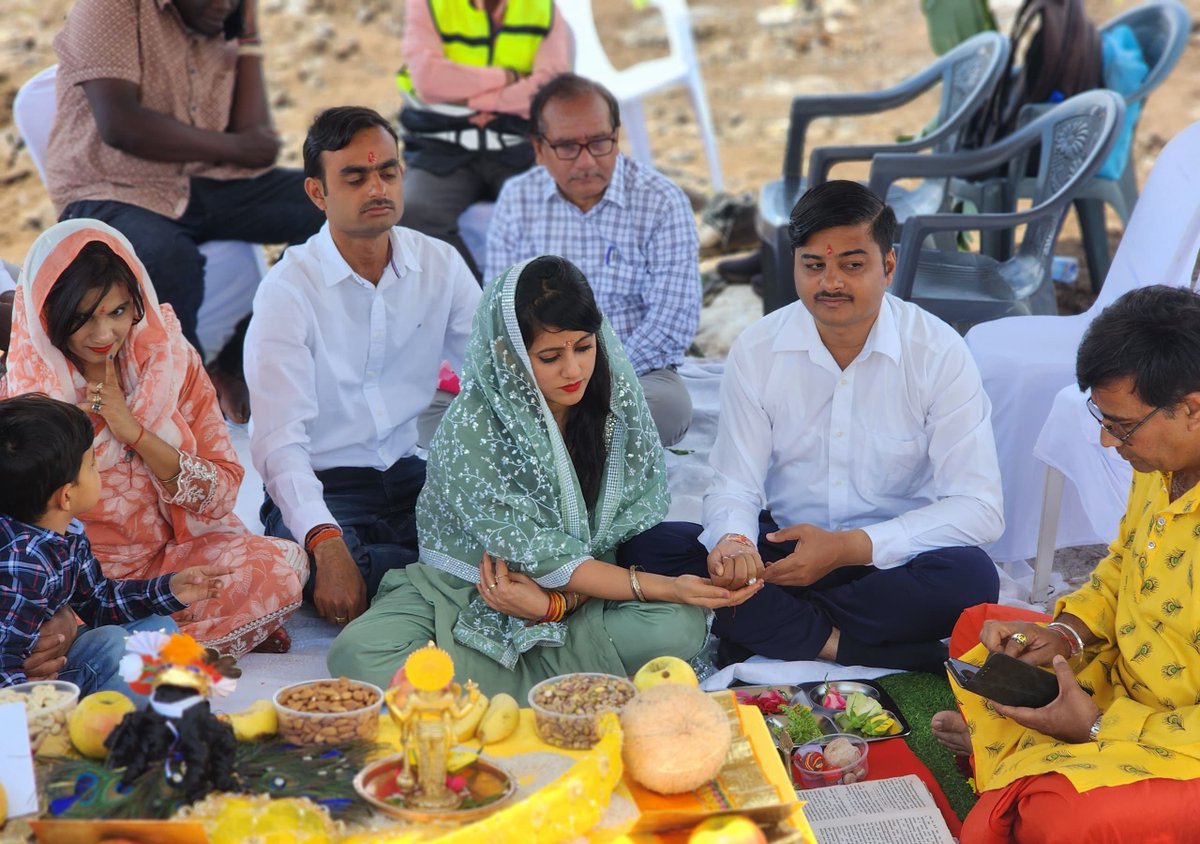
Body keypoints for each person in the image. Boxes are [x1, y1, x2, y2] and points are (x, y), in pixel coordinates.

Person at [327, 256, 761, 695]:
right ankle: (574, 681)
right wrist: (669, 587)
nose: (573, 371)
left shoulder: (613, 407)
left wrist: (555, 604)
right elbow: (537, 553)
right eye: (551, 356)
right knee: (360, 652)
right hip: (465, 590)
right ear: (508, 353)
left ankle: (486, 687)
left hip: (587, 594)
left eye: (584, 347)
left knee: (677, 624)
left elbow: (615, 537)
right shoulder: (471, 428)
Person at [621, 180, 1003, 672]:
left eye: (852, 264)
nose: (831, 283)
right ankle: (844, 645)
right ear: (794, 264)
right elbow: (735, 483)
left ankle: (765, 627)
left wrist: (849, 548)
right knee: (651, 548)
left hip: (891, 561)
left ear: (888, 266)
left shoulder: (938, 352)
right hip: (785, 557)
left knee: (970, 577)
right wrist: (735, 544)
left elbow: (980, 509)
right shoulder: (759, 349)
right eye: (814, 265)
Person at [932, 286, 1200, 844]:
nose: (1108, 441)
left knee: (1073, 825)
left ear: (1192, 408)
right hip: (1124, 683)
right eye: (1103, 421)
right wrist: (1062, 635)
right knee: (984, 625)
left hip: (1182, 742)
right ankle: (1027, 753)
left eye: (1121, 426)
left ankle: (1030, 765)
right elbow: (1120, 571)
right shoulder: (1164, 466)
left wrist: (1099, 728)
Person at [3, 219, 305, 659]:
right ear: (48, 313)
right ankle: (152, 647)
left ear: (139, 299)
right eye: (83, 318)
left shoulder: (170, 365)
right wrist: (55, 608)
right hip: (74, 584)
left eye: (119, 312)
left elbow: (221, 493)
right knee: (43, 631)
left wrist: (135, 432)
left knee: (281, 567)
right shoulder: (24, 395)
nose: (104, 335)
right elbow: (13, 542)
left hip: (171, 560)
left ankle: (130, 650)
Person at [244, 107, 481, 628]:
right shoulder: (288, 291)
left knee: (503, 545)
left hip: (411, 475)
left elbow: (494, 379)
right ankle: (436, 577)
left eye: (388, 172)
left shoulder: (439, 264)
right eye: (355, 176)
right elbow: (278, 443)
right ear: (317, 193)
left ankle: (417, 576)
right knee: (316, 571)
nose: (377, 187)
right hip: (325, 490)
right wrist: (326, 546)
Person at [45, 0, 326, 421]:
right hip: (111, 187)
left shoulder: (222, 22)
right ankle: (181, 401)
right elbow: (121, 125)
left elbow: (257, 145)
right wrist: (237, 148)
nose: (224, 4)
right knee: (166, 258)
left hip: (203, 183)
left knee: (337, 205)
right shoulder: (111, 7)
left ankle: (232, 364)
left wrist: (248, 38)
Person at [487, 74, 700, 447]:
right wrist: (549, 379)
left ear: (616, 136)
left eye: (600, 143)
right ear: (539, 148)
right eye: (567, 146)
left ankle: (553, 444)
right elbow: (499, 309)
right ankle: (572, 441)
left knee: (666, 410)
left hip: (635, 374)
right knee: (439, 408)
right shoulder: (518, 200)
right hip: (541, 374)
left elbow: (672, 318)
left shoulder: (661, 201)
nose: (586, 161)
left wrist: (593, 379)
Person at [0, 394, 231, 695]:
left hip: (55, 655)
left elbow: (99, 601)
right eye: (93, 465)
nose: (100, 473)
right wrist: (29, 729)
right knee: (113, 647)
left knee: (157, 628)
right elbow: (6, 665)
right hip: (28, 690)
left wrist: (170, 589)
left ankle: (152, 707)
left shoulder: (65, 532)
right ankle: (115, 727)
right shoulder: (24, 563)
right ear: (66, 496)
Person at [397, 0, 570, 278]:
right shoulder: (428, 4)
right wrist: (510, 77)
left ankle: (533, 306)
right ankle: (476, 305)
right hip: (442, 148)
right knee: (412, 212)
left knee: (549, 211)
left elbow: (551, 85)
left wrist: (479, 100)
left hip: (518, 147)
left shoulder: (543, 7)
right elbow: (427, 80)